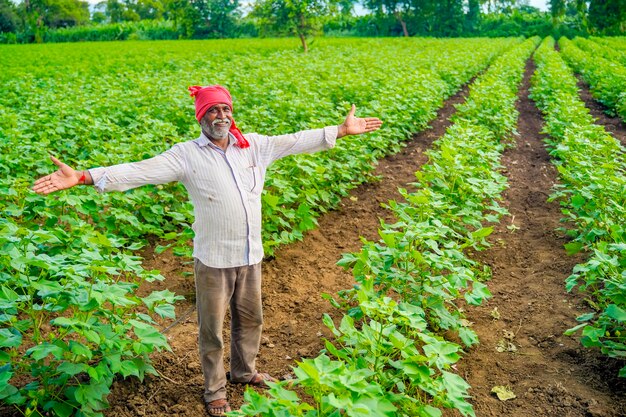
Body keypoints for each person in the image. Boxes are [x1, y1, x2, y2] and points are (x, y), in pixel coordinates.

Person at [32, 85, 383, 416]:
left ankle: (244, 373)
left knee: (251, 320)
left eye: (225, 109)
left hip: (250, 256)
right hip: (214, 260)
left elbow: (294, 140)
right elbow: (139, 171)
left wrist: (340, 129)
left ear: (232, 114)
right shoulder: (186, 155)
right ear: (201, 117)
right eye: (213, 110)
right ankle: (215, 389)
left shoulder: (254, 146)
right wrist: (83, 177)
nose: (220, 115)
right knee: (212, 330)